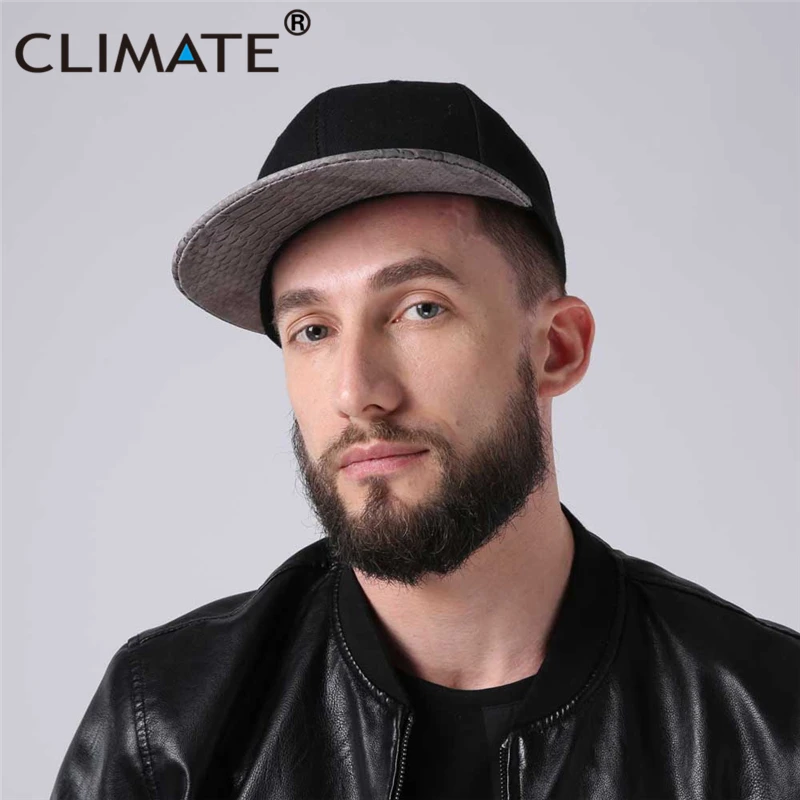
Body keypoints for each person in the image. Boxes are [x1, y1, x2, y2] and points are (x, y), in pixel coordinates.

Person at [51, 80, 800, 800]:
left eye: (421, 309)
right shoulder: (167, 726)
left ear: (558, 348)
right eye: (312, 330)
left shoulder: (770, 724)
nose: (356, 393)